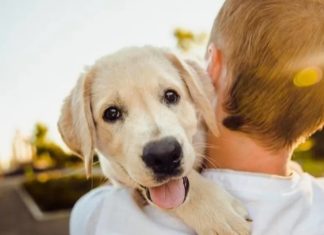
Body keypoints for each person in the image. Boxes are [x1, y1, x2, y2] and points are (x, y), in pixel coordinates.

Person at [70, 0, 324, 234]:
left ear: (211, 67)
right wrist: (193, 195)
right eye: (113, 113)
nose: (161, 145)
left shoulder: (98, 215)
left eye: (170, 96)